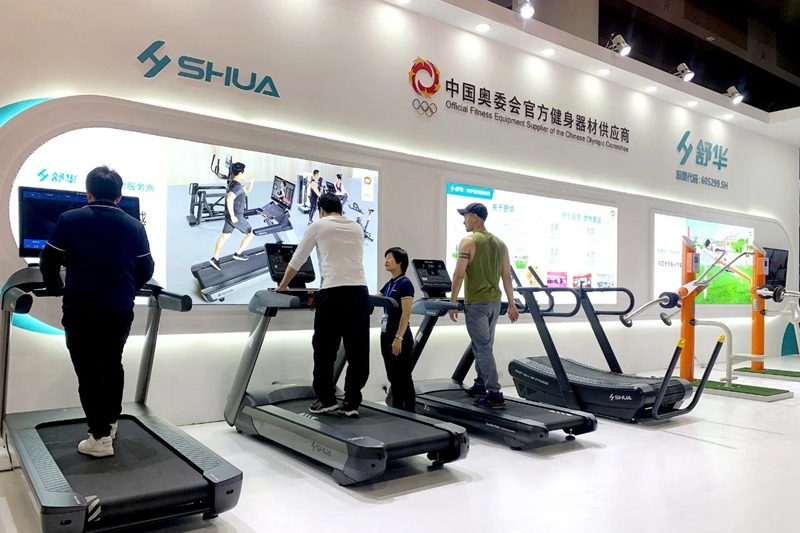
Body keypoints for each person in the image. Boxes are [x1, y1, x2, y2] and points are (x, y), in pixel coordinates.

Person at [39, 166, 155, 457]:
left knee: (89, 372)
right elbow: (146, 267)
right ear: (119, 196)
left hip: (82, 309)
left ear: (88, 193)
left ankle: (99, 438)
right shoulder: (134, 226)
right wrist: (129, 287)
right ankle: (111, 423)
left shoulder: (70, 219)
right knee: (112, 364)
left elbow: (48, 260)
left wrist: (55, 286)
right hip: (119, 309)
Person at [276, 193, 369, 418]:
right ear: (340, 208)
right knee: (358, 351)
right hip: (359, 292)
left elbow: (298, 258)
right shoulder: (357, 227)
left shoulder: (317, 226)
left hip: (333, 293)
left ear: (321, 210)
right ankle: (352, 402)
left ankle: (326, 400)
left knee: (325, 349)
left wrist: (283, 285)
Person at [448, 202, 519, 409]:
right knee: (483, 346)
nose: (464, 221)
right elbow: (507, 276)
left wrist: (452, 302)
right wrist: (512, 304)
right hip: (495, 303)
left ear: (475, 217)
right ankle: (480, 383)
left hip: (477, 303)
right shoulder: (501, 244)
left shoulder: (468, 241)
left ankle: (494, 392)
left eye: (465, 217)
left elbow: (458, 274)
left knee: (483, 348)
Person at [378, 247, 415, 412]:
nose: (386, 261)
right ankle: (398, 409)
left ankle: (410, 411)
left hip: (399, 336)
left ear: (400, 262)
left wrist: (399, 337)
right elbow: (376, 297)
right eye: (385, 257)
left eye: (390, 258)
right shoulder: (390, 283)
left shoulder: (405, 283)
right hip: (386, 334)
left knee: (403, 376)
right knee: (393, 376)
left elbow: (406, 313)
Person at [209, 162, 254, 270]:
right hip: (236, 216)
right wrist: (233, 216)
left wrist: (251, 183)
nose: (244, 174)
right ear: (240, 173)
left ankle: (215, 258)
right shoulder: (237, 187)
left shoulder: (233, 183)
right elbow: (229, 198)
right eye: (243, 172)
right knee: (251, 233)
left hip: (229, 215)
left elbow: (246, 190)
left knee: (224, 236)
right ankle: (238, 254)